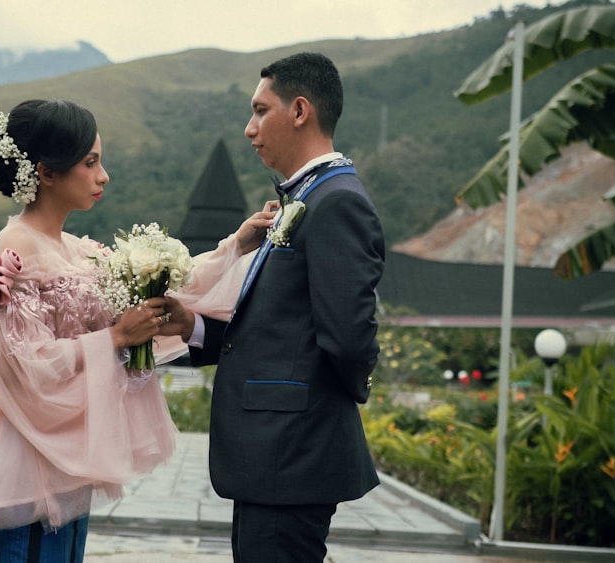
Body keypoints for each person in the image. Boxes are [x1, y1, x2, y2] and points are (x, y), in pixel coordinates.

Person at [0, 99, 272, 562]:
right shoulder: (15, 245)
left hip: (67, 451)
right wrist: (115, 339)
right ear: (45, 172)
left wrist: (236, 245)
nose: (103, 176)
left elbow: (157, 290)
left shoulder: (77, 250)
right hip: (25, 454)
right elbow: (20, 363)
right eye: (90, 162)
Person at [160, 52, 386, 562]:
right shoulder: (303, 198)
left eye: (260, 111)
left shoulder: (337, 202)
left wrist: (337, 397)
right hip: (272, 458)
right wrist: (193, 326)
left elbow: (349, 336)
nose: (249, 129)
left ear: (300, 110)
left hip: (292, 450)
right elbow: (279, 331)